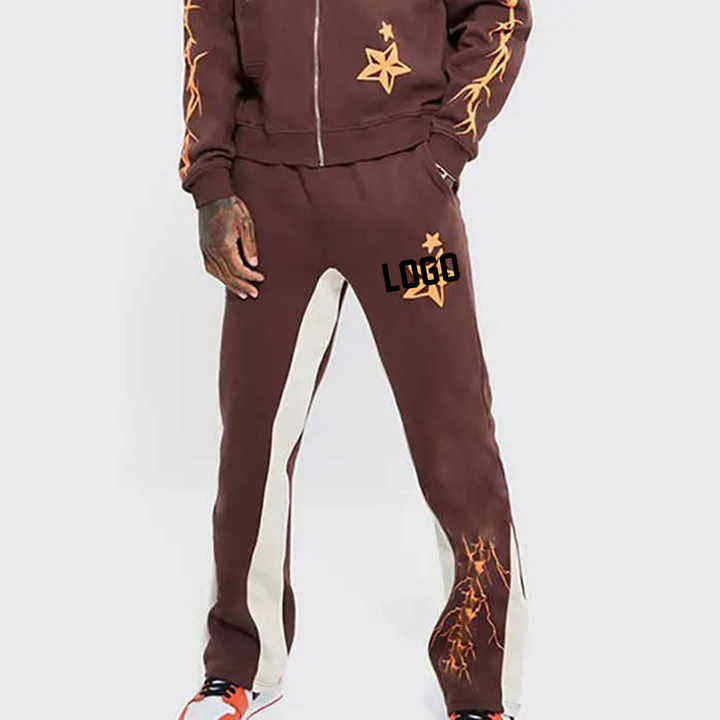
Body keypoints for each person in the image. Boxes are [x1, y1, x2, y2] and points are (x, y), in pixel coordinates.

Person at [176, 1, 532, 718]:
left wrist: (446, 148)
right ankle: (242, 664)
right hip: (270, 199)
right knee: (253, 441)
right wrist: (210, 182)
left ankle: (479, 690)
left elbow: (500, 10)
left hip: (404, 202)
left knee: (454, 438)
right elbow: (208, 25)